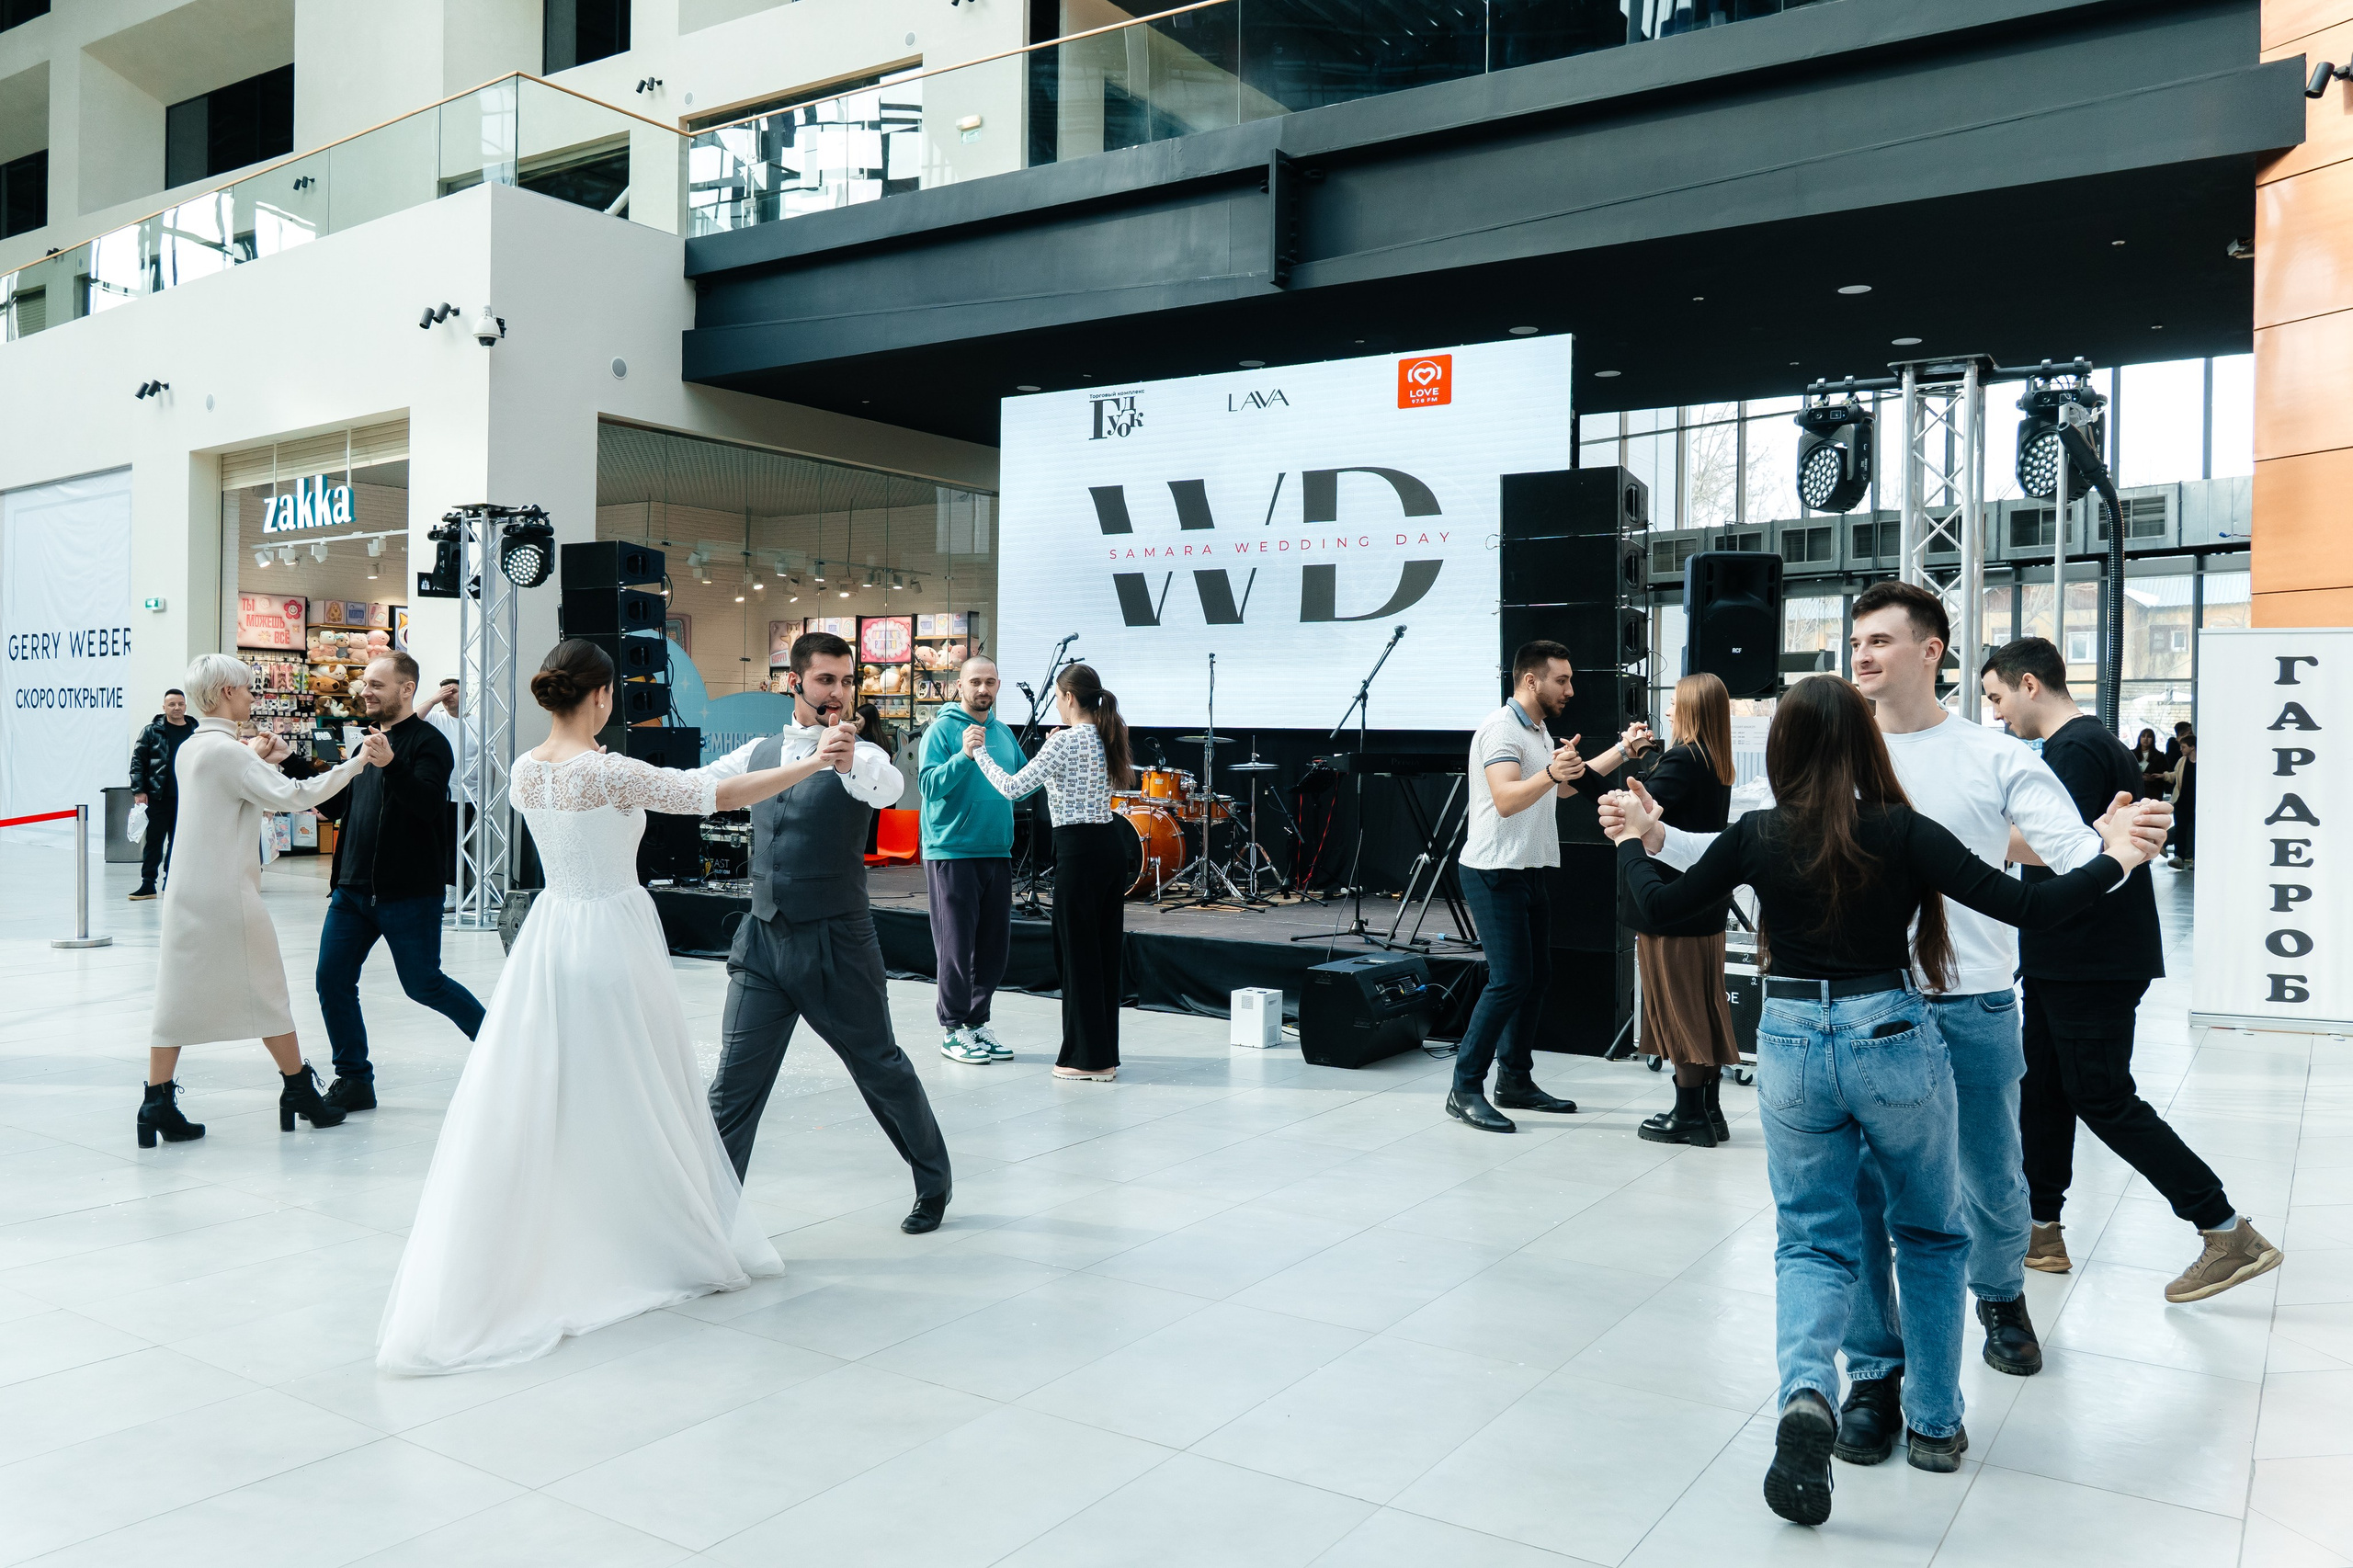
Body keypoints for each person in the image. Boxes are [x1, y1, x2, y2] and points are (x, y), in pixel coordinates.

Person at [1622, 582, 2174, 1460]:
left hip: (1969, 1001)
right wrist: (1657, 835)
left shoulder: (1992, 757)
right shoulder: (1836, 746)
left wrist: (2111, 847)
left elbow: (2068, 859)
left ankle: (2000, 1294)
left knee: (1991, 1183)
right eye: (1855, 642)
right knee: (1872, 1210)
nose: (1862, 654)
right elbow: (1751, 848)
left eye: (1880, 639)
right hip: (1877, 1009)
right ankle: (1879, 1378)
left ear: (1931, 650)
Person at [377, 640, 821, 1375]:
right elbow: (714, 796)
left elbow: (683, 787)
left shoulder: (526, 768)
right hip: (613, 935)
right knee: (638, 1086)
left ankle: (575, 1224)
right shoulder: (610, 772)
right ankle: (643, 1231)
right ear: (603, 696)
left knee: (559, 1093)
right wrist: (812, 763)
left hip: (551, 936)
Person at [1982, 640, 2280, 1301]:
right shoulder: (2086, 746)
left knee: (2102, 1096)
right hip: (2066, 951)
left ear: (2028, 684)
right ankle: (2040, 1229)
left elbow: (2066, 849)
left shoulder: (2077, 749)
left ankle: (2225, 1230)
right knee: (2045, 1088)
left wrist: (1966, 830)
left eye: (1998, 698)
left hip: (2091, 955)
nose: (1998, 715)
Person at [703, 631, 954, 1234]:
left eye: (846, 681)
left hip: (837, 943)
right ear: (794, 683)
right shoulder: (760, 751)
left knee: (880, 1067)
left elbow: (888, 788)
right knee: (732, 1087)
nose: (838, 692)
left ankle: (933, 1182)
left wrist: (843, 759)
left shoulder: (861, 755)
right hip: (762, 943)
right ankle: (707, 1219)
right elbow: (696, 787)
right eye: (825, 680)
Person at [138, 654, 373, 1150]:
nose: (253, 695)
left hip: (187, 888)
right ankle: (299, 1090)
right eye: (247, 688)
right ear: (226, 692)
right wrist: (357, 763)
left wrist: (257, 759)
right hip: (228, 892)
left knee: (176, 994)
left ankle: (156, 1100)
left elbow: (231, 789)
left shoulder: (194, 746)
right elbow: (298, 795)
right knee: (267, 989)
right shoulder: (231, 754)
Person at [1446, 639, 1652, 1134]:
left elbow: (1564, 785)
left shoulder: (1537, 730)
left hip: (1528, 868)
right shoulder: (1501, 729)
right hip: (1494, 871)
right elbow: (1506, 799)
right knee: (1509, 981)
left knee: (1535, 979)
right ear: (1530, 680)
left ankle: (1514, 1081)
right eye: (1562, 680)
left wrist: (1622, 750)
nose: (1570, 689)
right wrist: (1549, 772)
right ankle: (1464, 1088)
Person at [298, 652, 484, 1113]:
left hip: (408, 893)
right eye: (365, 684)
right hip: (351, 891)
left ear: (407, 689)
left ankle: (501, 1046)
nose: (366, 692)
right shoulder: (368, 744)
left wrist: (391, 764)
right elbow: (336, 805)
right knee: (332, 981)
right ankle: (354, 1080)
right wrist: (294, 766)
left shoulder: (429, 743)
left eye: (377, 685)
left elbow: (427, 805)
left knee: (424, 984)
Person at [965, 664, 1134, 1081]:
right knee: (1102, 955)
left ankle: (1086, 1061)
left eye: (1058, 697)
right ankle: (1102, 1055)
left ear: (1069, 698)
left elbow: (1012, 787)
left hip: (1079, 853)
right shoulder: (1108, 734)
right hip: (1109, 847)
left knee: (1077, 957)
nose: (1057, 704)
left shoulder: (1064, 742)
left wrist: (979, 752)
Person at [1629, 672, 1739, 1148]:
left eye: (1675, 702)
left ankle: (1690, 1115)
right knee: (1704, 1006)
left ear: (1692, 708)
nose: (1669, 709)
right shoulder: (1714, 760)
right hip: (1704, 905)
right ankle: (1708, 1111)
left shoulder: (1683, 758)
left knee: (1681, 1011)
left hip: (1671, 903)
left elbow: (1641, 807)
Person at [919, 657, 1028, 1066]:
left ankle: (976, 1023)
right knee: (956, 947)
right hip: (952, 851)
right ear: (960, 686)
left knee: (993, 950)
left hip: (997, 850)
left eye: (990, 682)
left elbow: (1020, 784)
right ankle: (952, 1029)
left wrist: (1051, 760)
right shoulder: (941, 730)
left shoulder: (1003, 732)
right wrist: (964, 755)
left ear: (998, 685)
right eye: (975, 682)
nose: (983, 689)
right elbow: (928, 786)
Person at [128, 687, 198, 900]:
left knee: (179, 843)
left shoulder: (196, 731)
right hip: (158, 796)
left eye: (180, 704)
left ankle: (171, 883)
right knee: (154, 842)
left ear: (185, 706)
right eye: (172, 704)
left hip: (187, 798)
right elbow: (138, 761)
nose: (177, 708)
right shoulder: (151, 731)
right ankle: (148, 884)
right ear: (164, 707)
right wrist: (139, 790)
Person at [420, 676, 472, 906]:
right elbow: (410, 720)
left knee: (457, 843)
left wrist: (487, 795)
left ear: (466, 694)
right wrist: (433, 700)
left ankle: (453, 889)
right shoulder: (435, 718)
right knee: (433, 841)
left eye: (453, 691)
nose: (448, 696)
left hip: (469, 795)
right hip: (438, 791)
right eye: (445, 692)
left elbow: (489, 760)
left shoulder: (478, 722)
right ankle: (434, 886)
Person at [2167, 734, 2198, 870]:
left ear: (2192, 747)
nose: (2181, 749)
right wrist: (2165, 776)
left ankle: (2196, 858)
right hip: (2181, 801)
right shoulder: (2182, 761)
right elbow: (2176, 774)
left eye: (2184, 747)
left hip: (2196, 802)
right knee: (2180, 829)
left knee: (2196, 831)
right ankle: (2178, 857)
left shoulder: (2203, 762)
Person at [2131, 728, 2173, 800]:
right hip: (2135, 791)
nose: (2146, 739)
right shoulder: (2132, 754)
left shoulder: (2160, 756)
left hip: (2153, 792)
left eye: (2149, 737)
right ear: (2139, 738)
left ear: (2153, 739)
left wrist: (2153, 779)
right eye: (2143, 736)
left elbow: (2165, 775)